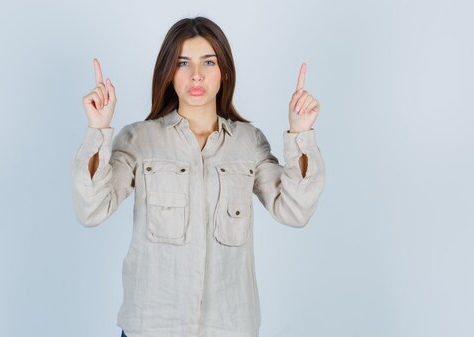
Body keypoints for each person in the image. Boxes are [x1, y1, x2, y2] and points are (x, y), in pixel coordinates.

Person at [70, 17, 326, 337]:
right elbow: (91, 210)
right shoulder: (139, 140)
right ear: (168, 73)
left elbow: (295, 210)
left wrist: (301, 134)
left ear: (225, 72)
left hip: (230, 328)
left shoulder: (248, 143)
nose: (196, 75)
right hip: (151, 329)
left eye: (208, 62)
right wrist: (97, 130)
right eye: (182, 63)